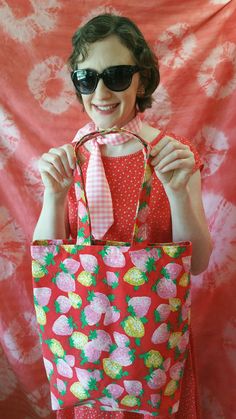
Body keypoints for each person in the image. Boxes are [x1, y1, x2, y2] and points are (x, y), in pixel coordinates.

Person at [33, 13, 212, 419]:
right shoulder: (69, 160)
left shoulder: (172, 155)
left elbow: (197, 262)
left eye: (116, 75)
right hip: (86, 354)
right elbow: (47, 260)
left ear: (142, 80)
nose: (100, 91)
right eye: (86, 78)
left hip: (153, 353)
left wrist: (177, 190)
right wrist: (55, 195)